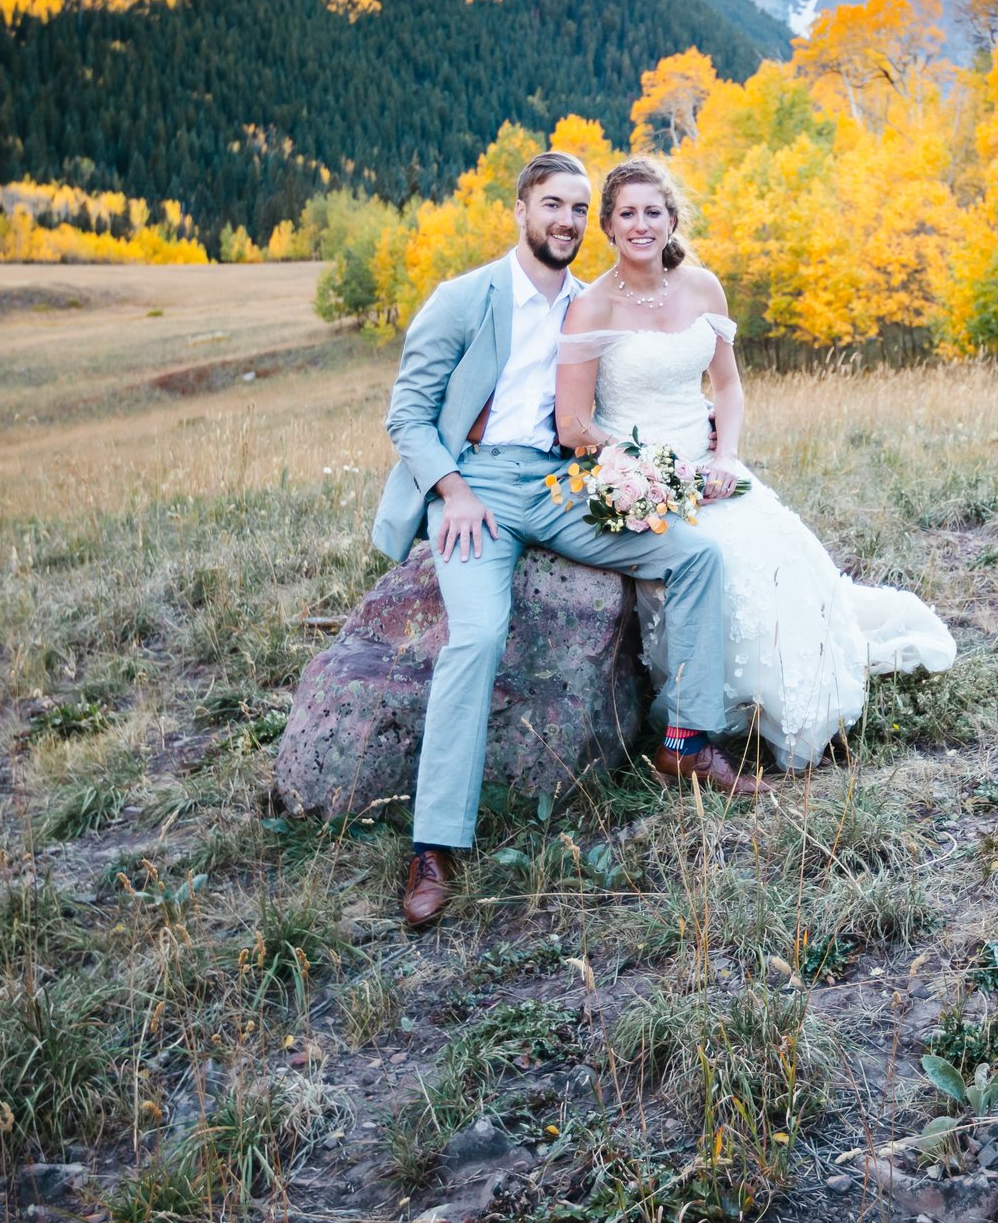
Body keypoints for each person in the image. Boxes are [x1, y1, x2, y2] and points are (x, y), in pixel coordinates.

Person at [372, 150, 763, 932]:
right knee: (478, 636)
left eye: (581, 210)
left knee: (694, 553)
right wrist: (450, 491)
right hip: (476, 487)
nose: (569, 222)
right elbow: (406, 415)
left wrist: (686, 456)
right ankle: (434, 847)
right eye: (554, 205)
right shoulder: (463, 298)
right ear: (521, 209)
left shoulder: (593, 300)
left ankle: (685, 738)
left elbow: (608, 405)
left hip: (560, 486)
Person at [555, 157, 955, 772]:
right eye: (627, 214)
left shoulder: (702, 288)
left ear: (671, 220)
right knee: (725, 565)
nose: (641, 225)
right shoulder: (592, 308)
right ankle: (712, 723)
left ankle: (798, 695)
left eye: (653, 212)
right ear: (607, 226)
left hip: (711, 465)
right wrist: (647, 473)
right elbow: (573, 424)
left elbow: (729, 388)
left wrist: (726, 456)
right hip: (648, 479)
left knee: (782, 551)